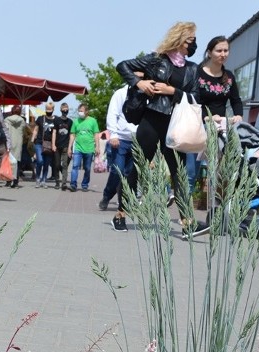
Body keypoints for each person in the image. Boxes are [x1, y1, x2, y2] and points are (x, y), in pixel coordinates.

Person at [115, 21, 208, 236]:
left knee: (179, 174)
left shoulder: (193, 69)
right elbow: (122, 66)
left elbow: (197, 97)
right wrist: (139, 83)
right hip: (152, 120)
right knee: (138, 169)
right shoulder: (156, 60)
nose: (193, 45)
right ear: (179, 40)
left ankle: (187, 223)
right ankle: (121, 212)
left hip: (177, 124)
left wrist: (171, 90)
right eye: (190, 40)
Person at [186, 35, 244, 191]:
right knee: (191, 171)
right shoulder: (196, 72)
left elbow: (236, 100)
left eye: (226, 50)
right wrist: (207, 117)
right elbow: (192, 100)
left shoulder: (229, 76)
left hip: (220, 127)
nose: (223, 54)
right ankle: (185, 214)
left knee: (219, 171)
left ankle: (217, 208)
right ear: (209, 52)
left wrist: (238, 115)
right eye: (219, 50)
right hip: (198, 125)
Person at [99, 85, 138, 210]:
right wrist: (113, 135)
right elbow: (112, 114)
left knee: (130, 173)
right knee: (118, 171)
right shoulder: (121, 93)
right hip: (120, 139)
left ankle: (124, 202)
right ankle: (107, 195)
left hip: (137, 141)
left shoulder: (147, 93)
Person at [67, 104, 100, 192]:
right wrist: (69, 148)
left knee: (87, 168)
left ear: (86, 111)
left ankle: (85, 184)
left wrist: (97, 147)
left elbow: (96, 134)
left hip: (89, 149)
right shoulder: (75, 121)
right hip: (78, 148)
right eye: (79, 110)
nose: (80, 112)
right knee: (75, 166)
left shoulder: (93, 121)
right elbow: (72, 135)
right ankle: (73, 184)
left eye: (82, 110)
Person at [32, 102, 56, 187]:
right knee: (40, 161)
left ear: (53, 109)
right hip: (39, 143)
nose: (48, 111)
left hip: (49, 144)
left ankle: (44, 180)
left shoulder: (55, 120)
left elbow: (55, 133)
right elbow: (35, 130)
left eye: (50, 109)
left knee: (46, 163)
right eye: (47, 109)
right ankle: (38, 177)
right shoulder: (40, 118)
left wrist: (54, 144)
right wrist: (32, 140)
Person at [4, 105, 26, 188]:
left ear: (12, 111)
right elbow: (23, 130)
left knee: (8, 162)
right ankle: (15, 182)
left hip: (9, 142)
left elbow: (4, 130)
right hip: (18, 143)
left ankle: (8, 181)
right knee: (17, 162)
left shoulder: (6, 120)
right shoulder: (22, 121)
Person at [52, 103, 73, 189]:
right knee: (57, 165)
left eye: (66, 109)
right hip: (57, 146)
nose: (65, 110)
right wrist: (53, 144)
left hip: (66, 146)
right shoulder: (56, 120)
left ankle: (63, 183)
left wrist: (70, 148)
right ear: (60, 110)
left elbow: (72, 135)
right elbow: (54, 132)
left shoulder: (70, 122)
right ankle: (57, 181)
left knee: (65, 165)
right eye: (64, 109)